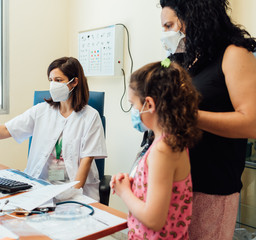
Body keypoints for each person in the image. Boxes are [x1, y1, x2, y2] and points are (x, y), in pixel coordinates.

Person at [159, 0, 256, 239]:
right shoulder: (182, 60)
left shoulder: (234, 54)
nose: (165, 33)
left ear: (192, 18)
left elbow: (251, 123)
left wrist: (186, 115)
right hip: (175, 181)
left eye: (169, 25)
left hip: (212, 187)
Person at [0, 57, 107, 201]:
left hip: (73, 188)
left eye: (59, 80)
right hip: (41, 185)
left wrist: (73, 193)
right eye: (51, 80)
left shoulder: (90, 117)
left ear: (74, 82)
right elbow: (6, 129)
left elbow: (86, 160)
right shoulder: (41, 111)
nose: (53, 85)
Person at [110, 60, 201, 240]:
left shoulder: (162, 150)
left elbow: (154, 219)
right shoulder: (170, 141)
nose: (134, 111)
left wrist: (124, 192)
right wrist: (133, 185)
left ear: (149, 104)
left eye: (133, 104)